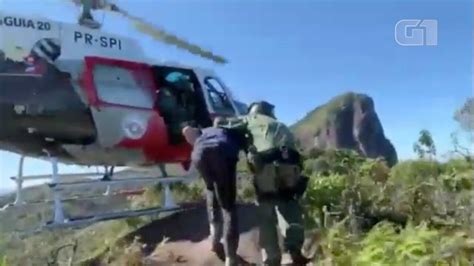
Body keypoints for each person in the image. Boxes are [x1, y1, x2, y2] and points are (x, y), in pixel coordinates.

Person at [215, 101, 310, 266]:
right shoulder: (280, 124)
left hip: (265, 165)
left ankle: (271, 259)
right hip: (290, 166)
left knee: (266, 211)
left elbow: (221, 124)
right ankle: (295, 251)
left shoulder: (250, 119)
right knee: (289, 205)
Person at [181, 123, 247, 266]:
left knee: (211, 188)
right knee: (228, 208)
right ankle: (231, 257)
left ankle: (214, 241)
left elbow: (189, 131)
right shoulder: (231, 132)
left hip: (198, 154)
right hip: (222, 152)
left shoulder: (206, 130)